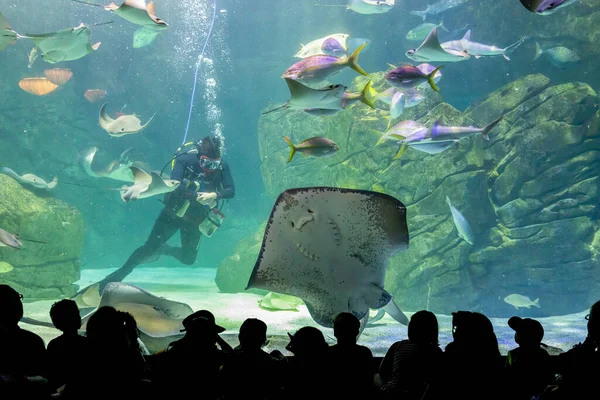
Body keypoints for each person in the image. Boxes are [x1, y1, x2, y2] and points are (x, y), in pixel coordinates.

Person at [74, 135, 235, 299]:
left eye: (214, 164)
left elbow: (231, 190)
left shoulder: (222, 166)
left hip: (196, 218)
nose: (210, 168)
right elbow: (176, 185)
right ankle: (114, 278)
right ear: (200, 156)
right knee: (149, 248)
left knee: (188, 259)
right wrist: (197, 196)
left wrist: (215, 194)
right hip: (174, 211)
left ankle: (164, 249)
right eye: (207, 163)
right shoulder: (185, 160)